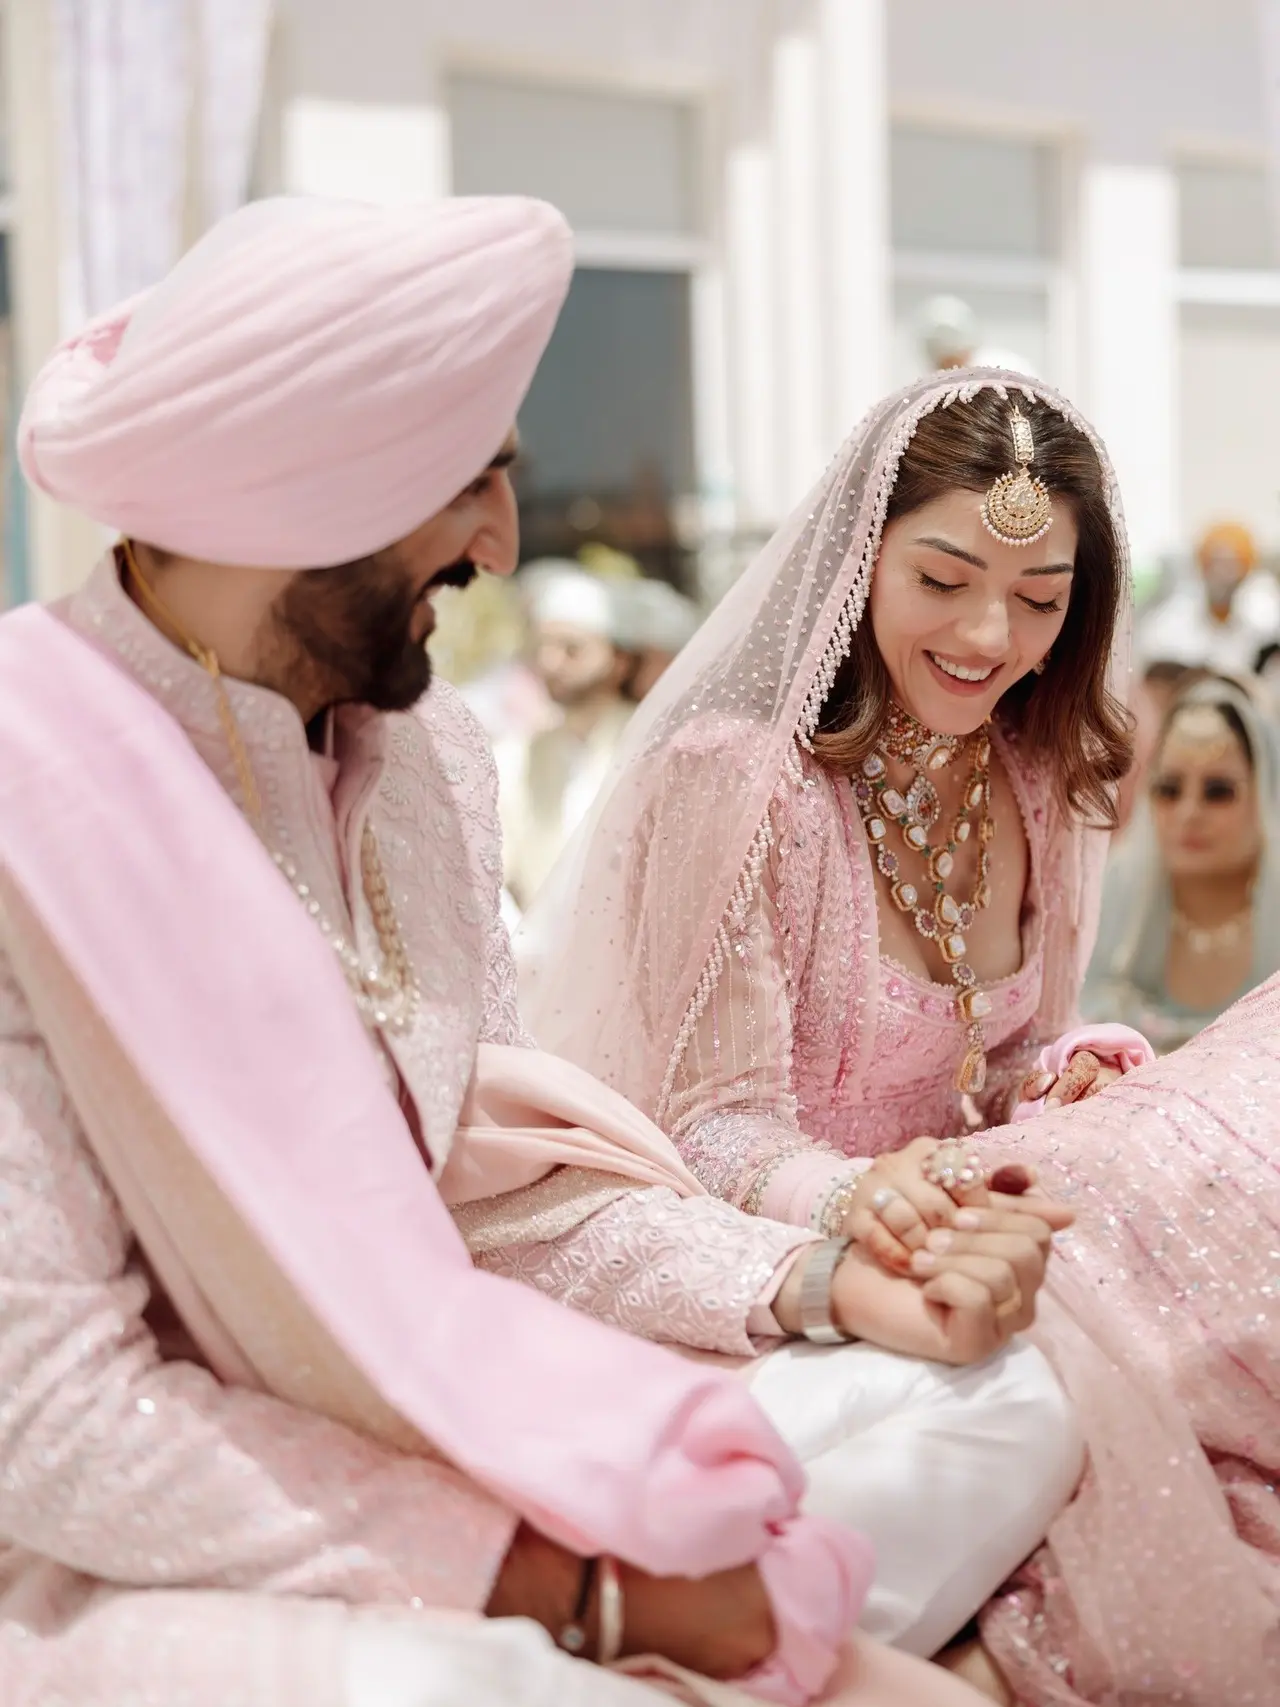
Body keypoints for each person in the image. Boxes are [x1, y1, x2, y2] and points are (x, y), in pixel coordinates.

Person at [0, 197, 1064, 1707]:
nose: (504, 538)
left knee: (1003, 1401)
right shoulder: (33, 798)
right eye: (469, 479)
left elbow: (495, 1209)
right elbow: (45, 1420)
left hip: (445, 1418)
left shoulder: (424, 758)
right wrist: (572, 1584)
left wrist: (825, 1283)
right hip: (147, 1537)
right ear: (308, 488)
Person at [519, 368, 1280, 1701]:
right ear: (860, 553)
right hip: (794, 1280)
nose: (989, 633)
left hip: (978, 1248)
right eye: (943, 578)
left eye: (1039, 598)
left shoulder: (1037, 777)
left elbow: (1003, 1069)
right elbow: (712, 1125)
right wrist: (881, 1199)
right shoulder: (742, 783)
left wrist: (1068, 1072)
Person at [1083, 674, 1280, 1051]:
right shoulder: (1118, 897)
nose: (1189, 812)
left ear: (1264, 794)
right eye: (1169, 789)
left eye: (1218, 791)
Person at [497, 563, 639, 907]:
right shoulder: (514, 756)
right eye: (541, 648)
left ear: (617, 659)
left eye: (571, 649)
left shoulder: (650, 741)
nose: (550, 662)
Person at [1138, 520, 1280, 677]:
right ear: (1202, 565)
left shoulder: (1264, 622)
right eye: (1216, 562)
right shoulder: (1170, 625)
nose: (1223, 573)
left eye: (1233, 563)